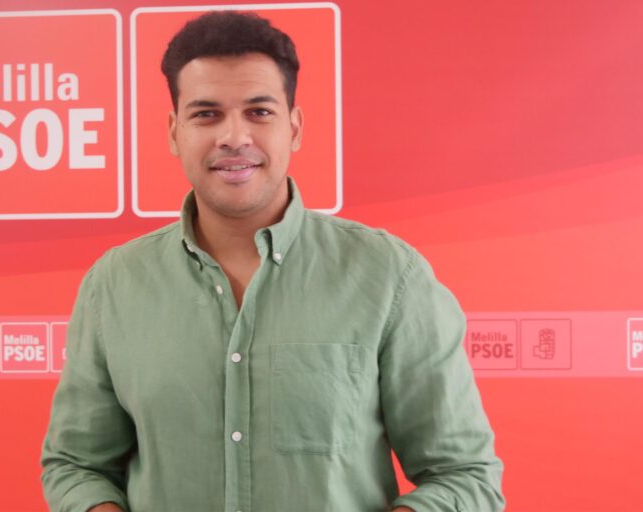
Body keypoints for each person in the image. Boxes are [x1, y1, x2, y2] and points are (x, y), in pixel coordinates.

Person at [41, 11, 504, 512]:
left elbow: (465, 476)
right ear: (175, 132)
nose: (234, 137)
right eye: (206, 114)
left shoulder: (389, 276)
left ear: (294, 127)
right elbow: (77, 465)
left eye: (259, 112)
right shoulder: (115, 284)